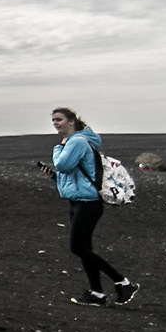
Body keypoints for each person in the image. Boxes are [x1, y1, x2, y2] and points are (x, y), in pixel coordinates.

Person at [37, 107, 140, 306]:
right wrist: (55, 178)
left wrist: (57, 149)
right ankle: (97, 294)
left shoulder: (75, 142)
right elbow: (71, 174)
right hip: (78, 201)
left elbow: (64, 165)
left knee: (77, 247)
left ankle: (122, 281)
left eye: (59, 119)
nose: (55, 123)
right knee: (85, 248)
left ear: (71, 121)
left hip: (87, 203)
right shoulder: (74, 143)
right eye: (53, 121)